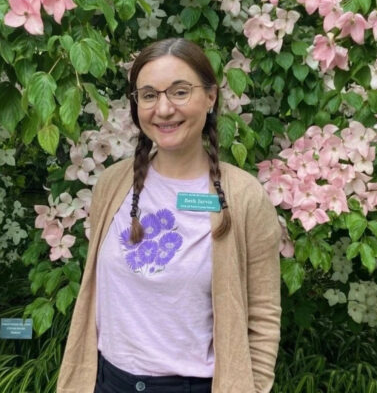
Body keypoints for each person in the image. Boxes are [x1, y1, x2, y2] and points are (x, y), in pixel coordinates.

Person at [57, 38, 282, 393]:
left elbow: (263, 315)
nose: (163, 109)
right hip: (109, 381)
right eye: (148, 95)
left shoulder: (243, 197)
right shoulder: (112, 185)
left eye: (180, 92)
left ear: (210, 96)